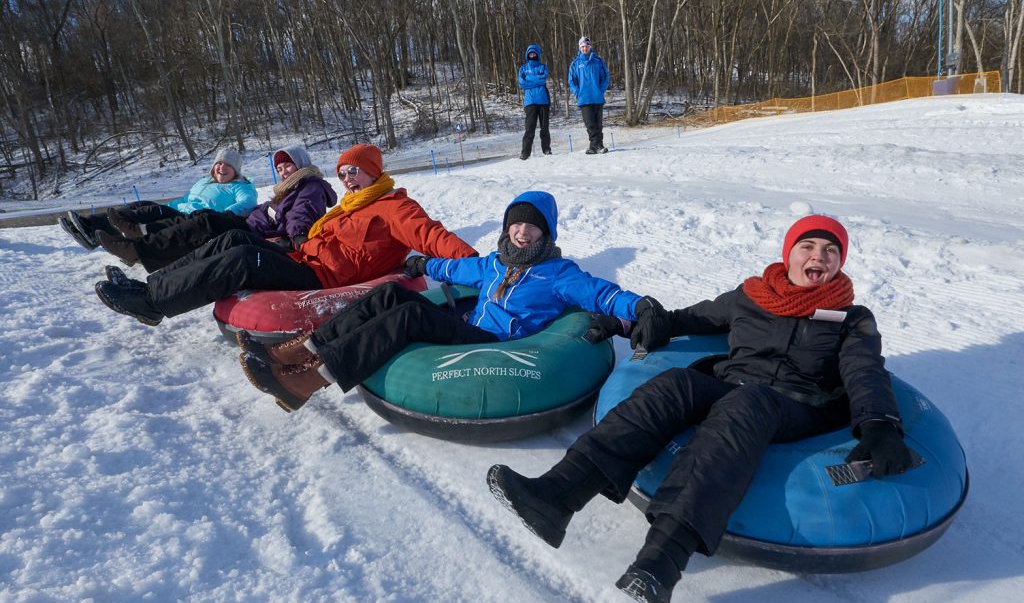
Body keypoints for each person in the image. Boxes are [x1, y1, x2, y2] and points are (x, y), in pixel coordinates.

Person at [487, 214, 915, 603]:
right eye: (808, 246)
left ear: (840, 263)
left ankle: (661, 563)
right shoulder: (752, 296)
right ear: (789, 254)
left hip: (798, 404)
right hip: (735, 385)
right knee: (677, 382)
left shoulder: (851, 318)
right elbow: (690, 318)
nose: (818, 256)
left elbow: (864, 370)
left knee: (747, 404)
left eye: (830, 250)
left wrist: (879, 425)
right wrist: (634, 325)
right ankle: (555, 497)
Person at [236, 190, 664, 413]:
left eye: (532, 228)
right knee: (389, 292)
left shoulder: (560, 274)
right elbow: (453, 270)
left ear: (546, 234)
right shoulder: (494, 262)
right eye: (517, 224)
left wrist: (639, 305)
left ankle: (306, 382)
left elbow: (602, 292)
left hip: (497, 344)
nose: (522, 233)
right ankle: (298, 350)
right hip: (470, 325)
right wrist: (421, 263)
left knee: (409, 314)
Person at [93, 144, 477, 327]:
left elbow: (432, 235)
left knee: (242, 259)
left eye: (355, 172)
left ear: (374, 172)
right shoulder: (351, 205)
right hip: (303, 259)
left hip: (321, 277)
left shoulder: (393, 207)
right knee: (231, 240)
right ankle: (152, 283)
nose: (347, 179)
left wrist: (477, 265)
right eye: (342, 172)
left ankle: (152, 303)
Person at [95, 145, 336, 272]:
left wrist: (298, 236)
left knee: (206, 222)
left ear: (301, 165)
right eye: (280, 168)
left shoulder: (310, 186)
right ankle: (136, 237)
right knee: (202, 217)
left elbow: (301, 213)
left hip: (255, 232)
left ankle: (139, 249)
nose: (283, 172)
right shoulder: (288, 188)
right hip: (252, 224)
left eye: (288, 166)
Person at [59, 148, 257, 250]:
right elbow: (187, 198)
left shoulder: (241, 187)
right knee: (141, 205)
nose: (221, 168)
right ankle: (92, 228)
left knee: (145, 212)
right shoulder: (205, 181)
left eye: (227, 166)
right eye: (218, 164)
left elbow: (247, 203)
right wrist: (168, 207)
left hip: (197, 218)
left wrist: (225, 214)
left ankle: (92, 229)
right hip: (179, 210)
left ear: (236, 170)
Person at [568, 36, 610, 155]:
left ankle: (594, 147)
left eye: (586, 46)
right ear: (579, 48)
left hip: (597, 97)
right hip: (584, 98)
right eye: (582, 46)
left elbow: (606, 76)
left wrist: (601, 89)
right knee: (590, 124)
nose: (584, 48)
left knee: (598, 124)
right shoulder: (575, 64)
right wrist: (577, 92)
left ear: (590, 47)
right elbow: (571, 81)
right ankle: (598, 145)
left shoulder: (598, 61)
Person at [518, 44, 552, 160]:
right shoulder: (523, 69)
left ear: (538, 54)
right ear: (527, 55)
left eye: (534, 53)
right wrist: (536, 80)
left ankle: (546, 149)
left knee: (544, 127)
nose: (532, 55)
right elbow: (521, 83)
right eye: (530, 53)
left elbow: (543, 79)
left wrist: (529, 79)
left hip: (543, 100)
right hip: (530, 102)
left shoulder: (543, 67)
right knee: (529, 128)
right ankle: (525, 153)